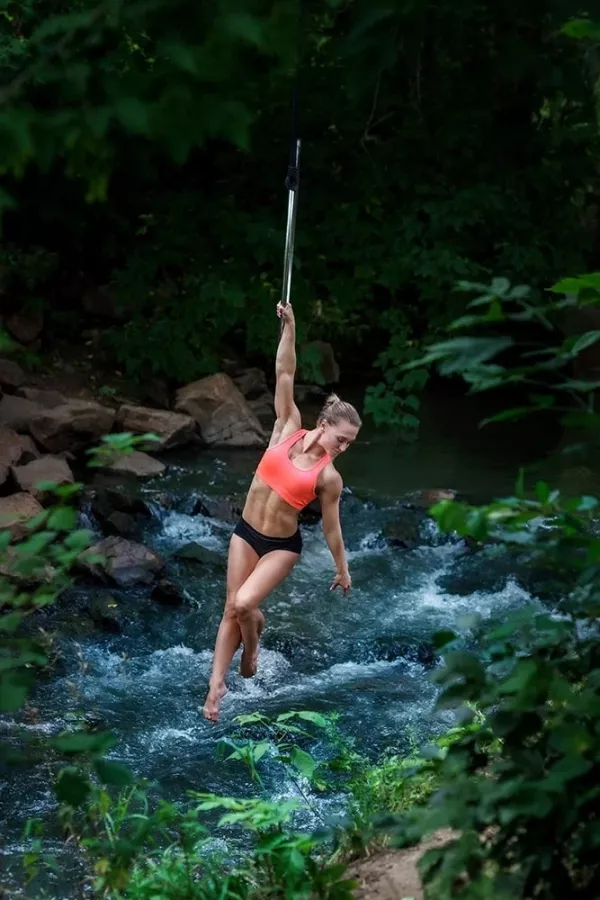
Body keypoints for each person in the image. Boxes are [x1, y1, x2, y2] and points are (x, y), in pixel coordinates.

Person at [202, 302, 362, 722]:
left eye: (349, 445)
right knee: (231, 610)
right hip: (245, 531)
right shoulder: (287, 426)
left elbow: (331, 529)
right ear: (324, 424)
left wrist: (342, 568)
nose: (342, 448)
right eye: (341, 439)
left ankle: (252, 647)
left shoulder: (329, 478)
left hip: (279, 546)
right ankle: (216, 688)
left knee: (244, 602)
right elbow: (285, 373)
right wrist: (290, 327)